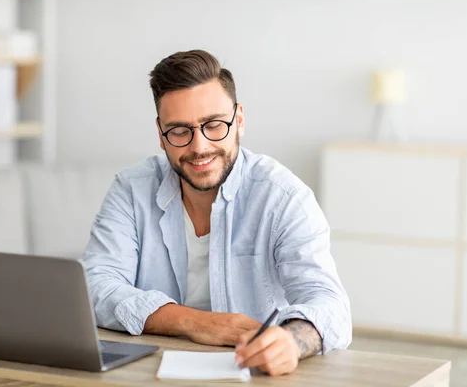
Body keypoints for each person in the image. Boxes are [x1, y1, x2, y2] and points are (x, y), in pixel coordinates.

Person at [83, 49, 351, 376]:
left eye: (213, 125)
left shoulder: (283, 196)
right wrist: (198, 323)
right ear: (160, 135)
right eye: (180, 131)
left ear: (238, 120)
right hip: (146, 373)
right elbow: (95, 285)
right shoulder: (131, 188)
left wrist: (292, 341)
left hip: (252, 375)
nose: (199, 147)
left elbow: (330, 305)